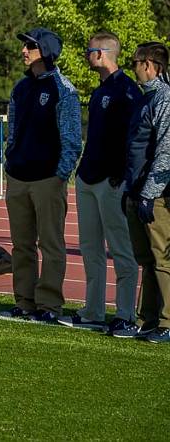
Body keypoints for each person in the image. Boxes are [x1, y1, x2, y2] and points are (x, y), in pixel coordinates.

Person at [58, 32, 139, 334]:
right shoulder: (99, 91)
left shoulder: (127, 91)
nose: (85, 55)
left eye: (88, 50)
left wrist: (123, 175)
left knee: (120, 249)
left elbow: (135, 139)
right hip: (88, 177)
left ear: (101, 53)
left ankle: (126, 314)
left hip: (111, 181)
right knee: (90, 247)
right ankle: (93, 310)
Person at [1, 28, 82, 323]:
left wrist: (60, 175)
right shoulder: (20, 89)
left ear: (45, 51)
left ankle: (49, 305)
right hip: (18, 177)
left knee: (51, 245)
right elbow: (14, 131)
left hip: (49, 179)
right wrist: (9, 162)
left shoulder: (64, 89)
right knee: (21, 245)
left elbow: (72, 140)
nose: (24, 50)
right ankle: (24, 302)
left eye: (30, 46)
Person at [122, 41, 170, 344]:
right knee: (147, 260)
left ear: (151, 65)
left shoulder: (164, 98)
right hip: (136, 190)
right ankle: (148, 319)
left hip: (155, 195)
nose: (134, 68)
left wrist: (149, 193)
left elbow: (166, 149)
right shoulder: (145, 98)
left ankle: (167, 320)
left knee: (162, 259)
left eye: (135, 63)